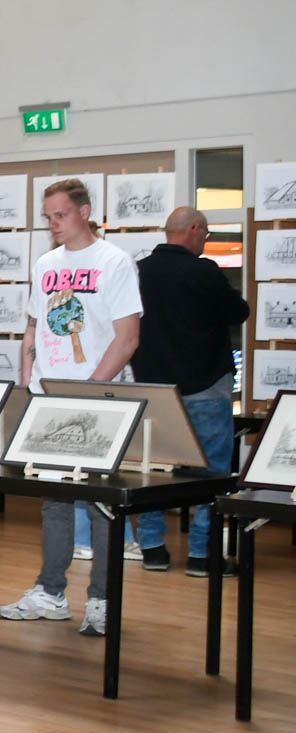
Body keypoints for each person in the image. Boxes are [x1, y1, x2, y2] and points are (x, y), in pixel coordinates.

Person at [0, 179, 142, 637]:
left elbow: (127, 338)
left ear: (84, 212)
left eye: (60, 215)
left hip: (100, 398)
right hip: (49, 399)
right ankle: (50, 593)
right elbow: (34, 327)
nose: (53, 224)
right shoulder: (46, 264)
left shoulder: (114, 262)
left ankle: (102, 600)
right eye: (48, 217)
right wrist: (29, 382)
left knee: (101, 504)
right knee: (55, 501)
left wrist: (92, 389)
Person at [130, 206, 250, 576]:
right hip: (204, 386)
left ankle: (152, 549)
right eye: (206, 235)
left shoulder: (138, 272)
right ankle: (202, 554)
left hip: (155, 390)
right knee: (212, 472)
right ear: (195, 230)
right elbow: (238, 312)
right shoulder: (204, 272)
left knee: (154, 470)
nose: (205, 241)